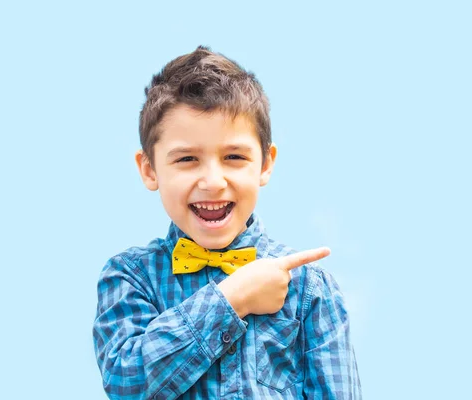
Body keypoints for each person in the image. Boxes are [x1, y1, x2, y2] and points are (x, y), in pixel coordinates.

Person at [93, 46, 361, 399]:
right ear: (149, 169)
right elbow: (127, 384)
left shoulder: (310, 287)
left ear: (265, 163)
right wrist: (233, 298)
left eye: (234, 157)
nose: (213, 181)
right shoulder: (129, 277)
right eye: (187, 158)